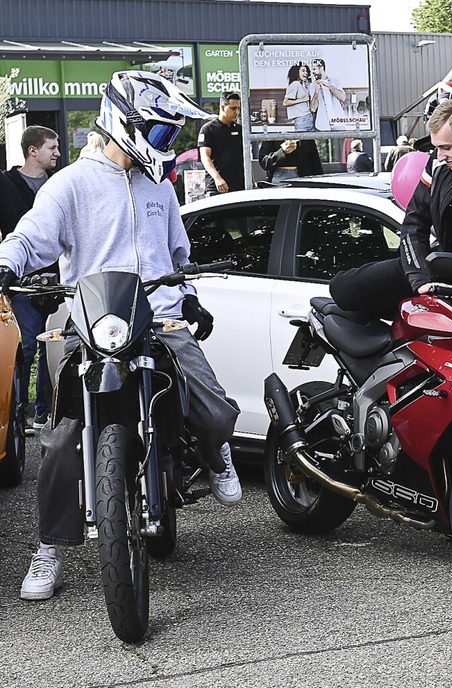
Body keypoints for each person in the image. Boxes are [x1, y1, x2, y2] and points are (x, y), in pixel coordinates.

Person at [0, 70, 242, 602]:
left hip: (159, 314)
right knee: (60, 438)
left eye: (168, 132)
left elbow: (178, 254)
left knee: (212, 401)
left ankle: (215, 451)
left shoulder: (160, 186)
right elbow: (30, 237)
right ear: (121, 122)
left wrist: (189, 295)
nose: (164, 142)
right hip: (91, 320)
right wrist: (5, 263)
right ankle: (50, 548)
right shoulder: (71, 184)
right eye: (157, 131)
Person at [330, 98, 452, 321]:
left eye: (446, 147)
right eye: (437, 148)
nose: (440, 155)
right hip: (443, 267)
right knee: (344, 289)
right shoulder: (438, 164)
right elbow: (414, 223)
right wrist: (420, 279)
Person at [0, 125, 60, 431]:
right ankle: (16, 416)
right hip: (21, 280)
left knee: (53, 346)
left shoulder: (59, 184)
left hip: (58, 280)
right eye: (52, 147)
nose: (58, 153)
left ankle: (44, 413)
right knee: (23, 348)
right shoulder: (6, 184)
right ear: (32, 151)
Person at [198, 91, 244, 195]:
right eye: (233, 108)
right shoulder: (208, 129)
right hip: (216, 187)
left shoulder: (241, 130)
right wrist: (217, 178)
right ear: (223, 107)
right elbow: (205, 157)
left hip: (239, 187)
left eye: (238, 108)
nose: (237, 112)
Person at [258, 139, 323, 184]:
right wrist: (282, 152)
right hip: (279, 176)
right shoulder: (273, 132)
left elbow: (315, 160)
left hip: (304, 177)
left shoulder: (304, 132)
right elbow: (264, 162)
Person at [309, 58, 346, 131]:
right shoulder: (312, 86)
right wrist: (316, 91)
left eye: (314, 69)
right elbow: (313, 108)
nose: (312, 72)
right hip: (322, 125)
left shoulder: (335, 81)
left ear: (321, 68)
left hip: (338, 123)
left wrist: (329, 86)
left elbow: (343, 97)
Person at [282, 63, 316, 132]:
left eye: (306, 71)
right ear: (297, 73)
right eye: (303, 71)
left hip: (308, 117)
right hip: (302, 119)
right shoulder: (295, 84)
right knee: (304, 139)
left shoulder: (302, 85)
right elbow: (285, 102)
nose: (306, 73)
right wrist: (303, 99)